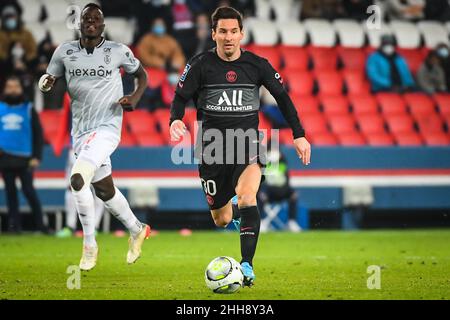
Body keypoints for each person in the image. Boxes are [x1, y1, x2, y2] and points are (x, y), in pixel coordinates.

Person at [169, 6, 311, 287]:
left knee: (248, 197)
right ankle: (235, 211)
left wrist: (299, 134)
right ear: (214, 34)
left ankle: (246, 265)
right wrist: (175, 120)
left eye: (234, 31)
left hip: (247, 145)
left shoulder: (257, 65)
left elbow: (282, 97)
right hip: (211, 149)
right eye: (223, 31)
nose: (229, 37)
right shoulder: (199, 65)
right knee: (220, 219)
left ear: (242, 34)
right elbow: (179, 96)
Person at [39, 3, 150, 271]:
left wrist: (134, 97)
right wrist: (46, 82)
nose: (90, 22)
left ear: (103, 25)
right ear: (80, 24)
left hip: (108, 128)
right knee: (104, 190)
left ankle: (89, 245)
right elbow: (49, 77)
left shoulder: (118, 51)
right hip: (81, 131)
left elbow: (142, 75)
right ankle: (137, 229)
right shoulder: (64, 52)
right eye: (86, 18)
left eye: (95, 19)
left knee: (77, 179)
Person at [0, 75, 46, 234]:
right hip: (5, 158)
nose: (12, 90)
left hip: (25, 158)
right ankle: (15, 227)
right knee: (10, 194)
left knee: (29, 191)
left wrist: (37, 156)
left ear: (20, 89)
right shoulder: (0, 108)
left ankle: (42, 226)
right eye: (9, 87)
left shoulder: (28, 109)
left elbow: (38, 134)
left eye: (15, 87)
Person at [257, 147, 301, 233]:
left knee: (294, 195)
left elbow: (286, 180)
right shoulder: (264, 164)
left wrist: (279, 156)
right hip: (268, 192)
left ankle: (292, 222)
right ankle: (261, 222)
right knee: (261, 195)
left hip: (282, 190)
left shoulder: (282, 163)